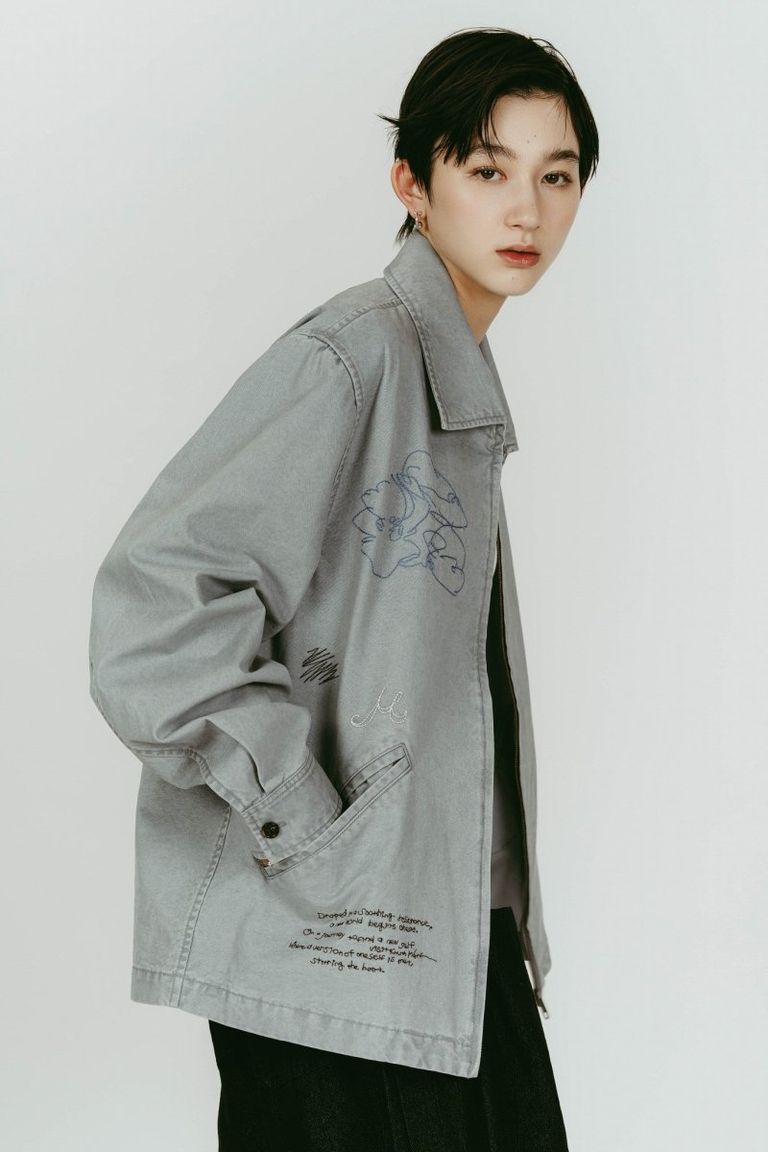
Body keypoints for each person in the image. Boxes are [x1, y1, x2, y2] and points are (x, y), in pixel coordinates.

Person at [88, 25, 598, 1151]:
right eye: (488, 170)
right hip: (335, 944)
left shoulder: (453, 374)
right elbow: (154, 605)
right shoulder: (354, 355)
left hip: (438, 930)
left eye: (556, 177)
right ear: (412, 184)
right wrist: (308, 819)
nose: (527, 210)